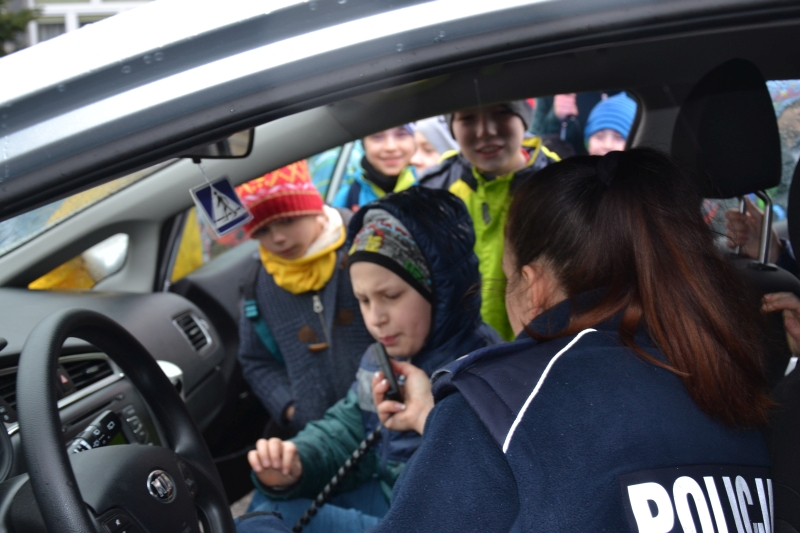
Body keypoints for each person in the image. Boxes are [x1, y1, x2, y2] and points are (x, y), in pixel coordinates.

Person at [366, 149, 772, 532]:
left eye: (508, 276)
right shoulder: (726, 383)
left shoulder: (499, 403)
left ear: (533, 286)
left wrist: (461, 424)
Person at [236, 187, 501, 533]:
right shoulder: (381, 357)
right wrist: (297, 462)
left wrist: (428, 418)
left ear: (439, 289)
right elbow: (351, 427)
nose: (375, 319)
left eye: (391, 296)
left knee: (260, 523)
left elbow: (495, 487)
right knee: (267, 503)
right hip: (388, 492)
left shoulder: (484, 372)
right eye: (363, 300)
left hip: (428, 518)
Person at [236, 161, 374, 433]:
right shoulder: (258, 284)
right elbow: (256, 360)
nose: (278, 238)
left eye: (288, 220)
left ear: (313, 210)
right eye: (262, 230)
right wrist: (290, 408)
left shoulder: (364, 245)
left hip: (386, 415)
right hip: (317, 431)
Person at [419, 100, 560, 340]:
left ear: (524, 120)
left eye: (502, 112)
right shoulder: (434, 191)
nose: (485, 131)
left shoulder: (559, 187)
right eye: (468, 118)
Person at [332, 126, 417, 211]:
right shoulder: (348, 197)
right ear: (363, 144)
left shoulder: (424, 187)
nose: (390, 147)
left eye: (401, 135)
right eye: (377, 137)